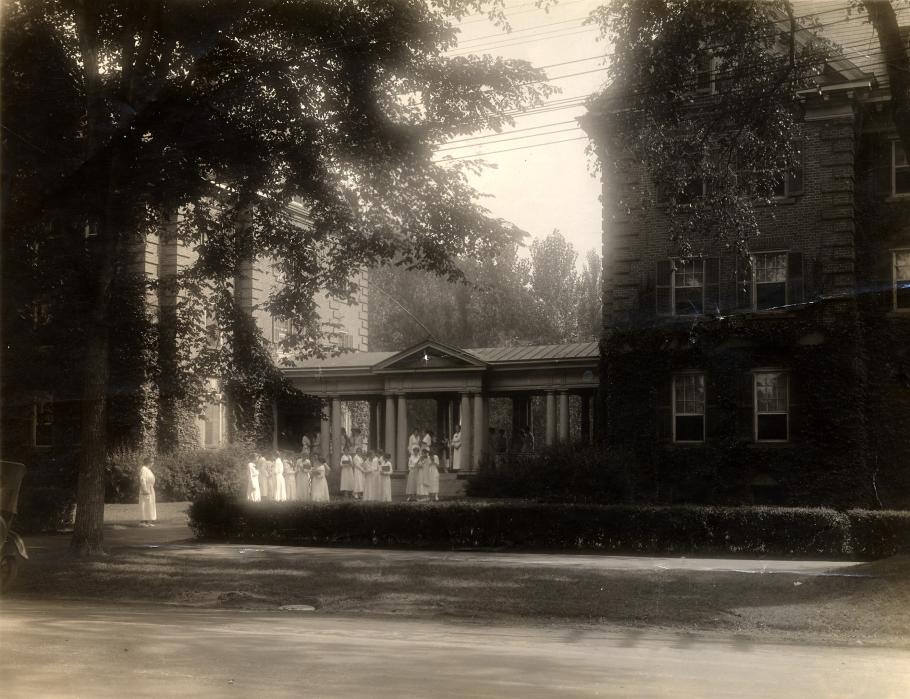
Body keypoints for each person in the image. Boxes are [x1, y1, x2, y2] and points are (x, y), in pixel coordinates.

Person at [138, 457, 157, 526]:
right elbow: (142, 480)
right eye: (152, 462)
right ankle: (142, 521)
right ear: (149, 462)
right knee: (144, 504)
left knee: (149, 505)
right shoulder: (143, 469)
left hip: (150, 488)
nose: (153, 463)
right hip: (146, 489)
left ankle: (147, 521)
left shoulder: (148, 470)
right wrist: (145, 489)